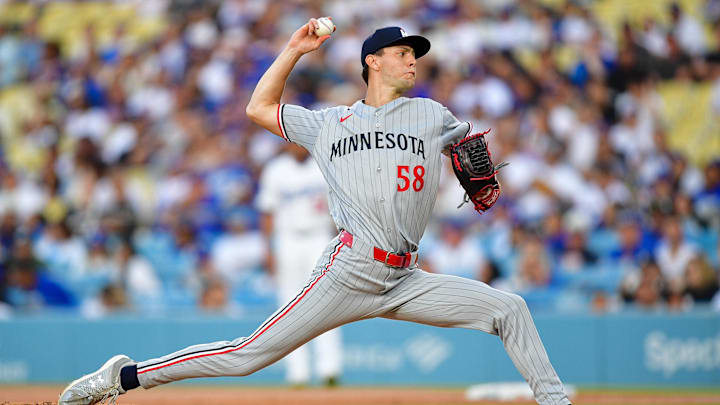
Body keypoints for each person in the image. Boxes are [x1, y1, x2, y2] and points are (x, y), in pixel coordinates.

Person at [59, 19, 572, 405]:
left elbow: (472, 153)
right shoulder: (329, 123)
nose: (413, 60)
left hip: (407, 278)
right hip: (348, 271)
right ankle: (122, 377)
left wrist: (477, 173)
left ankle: (555, 400)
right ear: (373, 61)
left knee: (510, 309)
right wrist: (292, 50)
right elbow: (258, 108)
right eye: (401, 53)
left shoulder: (431, 114)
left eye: (415, 54)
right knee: (247, 356)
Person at [256, 142, 343, 387]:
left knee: (327, 301)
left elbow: (341, 205)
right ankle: (298, 373)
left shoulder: (323, 165)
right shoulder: (275, 169)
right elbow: (267, 211)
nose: (296, 145)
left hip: (319, 237)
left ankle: (330, 369)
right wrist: (268, 249)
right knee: (289, 305)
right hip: (287, 239)